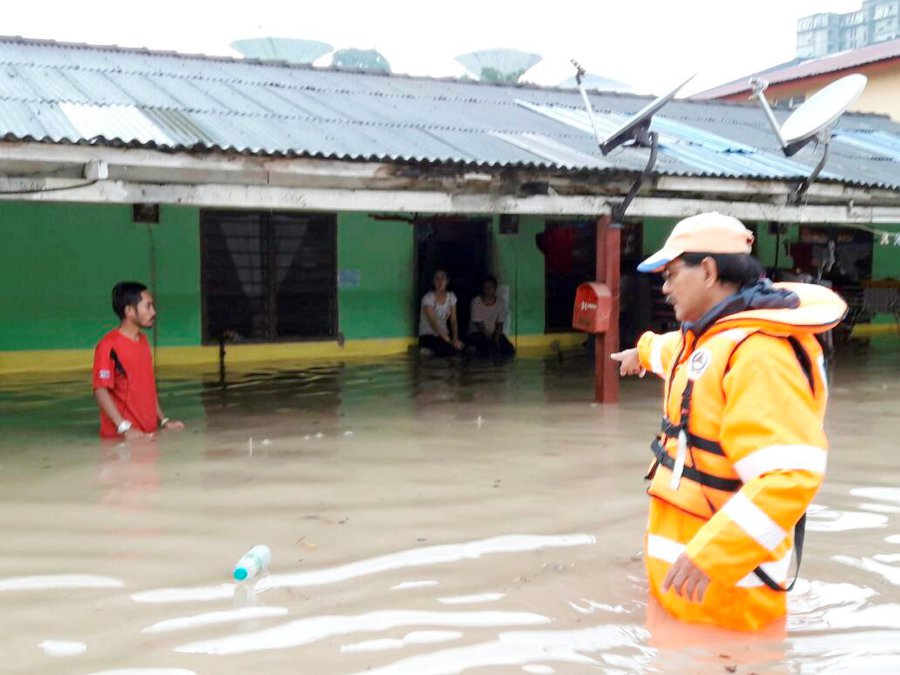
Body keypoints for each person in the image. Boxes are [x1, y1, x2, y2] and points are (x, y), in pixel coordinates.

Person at [610, 212, 846, 632]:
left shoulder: (760, 355)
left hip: (729, 608)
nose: (663, 289)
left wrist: (712, 554)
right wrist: (639, 354)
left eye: (669, 274)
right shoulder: (705, 338)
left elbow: (789, 477)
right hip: (683, 596)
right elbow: (673, 353)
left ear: (707, 270)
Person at [93, 282, 184, 440]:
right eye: (148, 306)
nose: (153, 312)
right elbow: (100, 390)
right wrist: (124, 428)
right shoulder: (108, 345)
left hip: (147, 436)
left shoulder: (143, 341)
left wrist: (163, 420)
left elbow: (146, 387)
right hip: (121, 441)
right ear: (129, 310)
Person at [466, 275, 515, 357]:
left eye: (490, 287)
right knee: (486, 350)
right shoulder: (477, 301)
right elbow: (479, 324)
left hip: (494, 334)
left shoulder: (500, 302)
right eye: (485, 288)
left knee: (509, 350)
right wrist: (490, 338)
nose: (488, 290)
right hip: (478, 333)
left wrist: (496, 338)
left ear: (495, 289)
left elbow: (500, 323)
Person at [418, 269, 463, 357]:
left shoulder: (451, 297)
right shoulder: (428, 298)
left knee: (460, 349)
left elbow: (453, 320)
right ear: (433, 281)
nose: (440, 281)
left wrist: (455, 338)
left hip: (444, 335)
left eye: (443, 278)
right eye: (437, 279)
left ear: (447, 281)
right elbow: (433, 323)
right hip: (428, 335)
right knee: (450, 352)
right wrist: (447, 339)